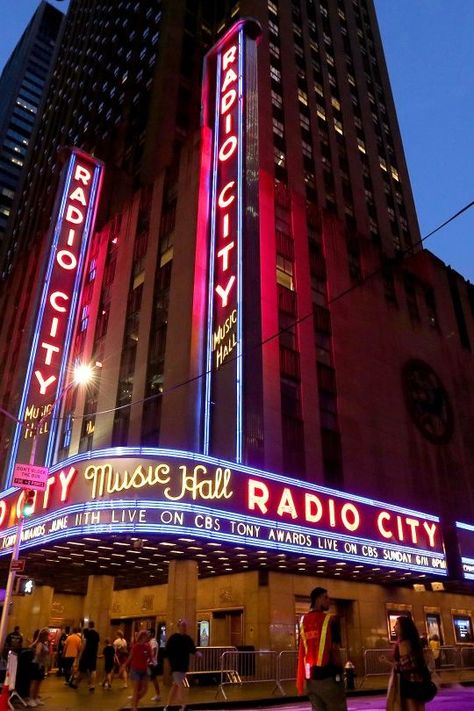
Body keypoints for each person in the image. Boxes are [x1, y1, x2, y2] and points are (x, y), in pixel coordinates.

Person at [297, 586, 347, 711]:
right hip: (329, 677)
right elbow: (335, 649)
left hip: (311, 680)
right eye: (326, 597)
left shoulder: (303, 621)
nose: (329, 600)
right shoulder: (330, 620)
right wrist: (340, 672)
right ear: (318, 599)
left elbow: (303, 650)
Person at [392, 616, 430, 711]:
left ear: (403, 628)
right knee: (420, 706)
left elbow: (404, 666)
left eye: (397, 624)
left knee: (411, 706)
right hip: (420, 679)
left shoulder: (403, 644)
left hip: (409, 681)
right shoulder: (414, 641)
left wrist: (391, 665)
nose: (394, 627)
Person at [163, 619, 197, 711]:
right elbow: (167, 652)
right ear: (178, 627)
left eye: (185, 626)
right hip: (175, 665)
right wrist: (168, 664)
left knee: (175, 685)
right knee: (180, 685)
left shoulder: (187, 638)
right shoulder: (173, 638)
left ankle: (168, 706)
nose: (184, 627)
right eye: (183, 625)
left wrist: (197, 653)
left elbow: (192, 649)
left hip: (183, 665)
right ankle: (183, 705)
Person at [126, 629, 152, 711]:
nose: (146, 638)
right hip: (135, 670)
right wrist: (124, 666)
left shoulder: (148, 647)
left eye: (147, 637)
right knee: (136, 689)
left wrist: (150, 663)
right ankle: (134, 707)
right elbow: (130, 657)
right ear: (141, 637)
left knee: (145, 689)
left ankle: (134, 701)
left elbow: (150, 657)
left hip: (144, 670)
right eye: (145, 636)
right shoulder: (136, 646)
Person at [70, 620, 100, 691]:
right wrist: (96, 653)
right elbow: (98, 644)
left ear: (89, 625)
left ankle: (76, 684)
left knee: (82, 669)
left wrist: (80, 654)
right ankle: (92, 686)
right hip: (93, 653)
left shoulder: (87, 632)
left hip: (86, 653)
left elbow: (84, 643)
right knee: (93, 670)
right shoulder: (97, 634)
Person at [27, 628, 49, 708]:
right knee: (35, 682)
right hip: (36, 664)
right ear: (43, 636)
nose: (48, 637)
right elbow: (37, 653)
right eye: (47, 635)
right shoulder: (39, 644)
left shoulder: (45, 644)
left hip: (41, 665)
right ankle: (31, 699)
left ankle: (36, 697)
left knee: (39, 682)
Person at [148, 629, 161, 701]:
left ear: (152, 633)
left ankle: (158, 695)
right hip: (151, 663)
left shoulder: (153, 642)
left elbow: (153, 652)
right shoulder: (151, 642)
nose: (147, 634)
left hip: (152, 664)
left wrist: (149, 660)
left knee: (154, 679)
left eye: (149, 633)